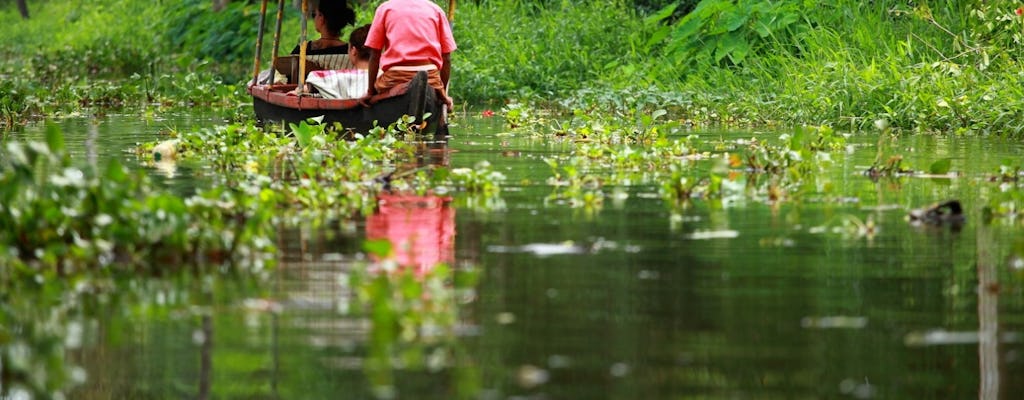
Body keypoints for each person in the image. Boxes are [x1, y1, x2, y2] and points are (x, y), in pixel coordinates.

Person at [359, 0, 456, 111]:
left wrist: (370, 92)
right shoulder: (436, 10)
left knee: (375, 94)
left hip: (395, 78)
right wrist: (442, 93)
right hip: (430, 77)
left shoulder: (385, 9)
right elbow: (446, 58)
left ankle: (378, 99)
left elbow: (375, 55)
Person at [295, 24, 372, 99]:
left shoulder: (335, 78)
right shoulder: (382, 78)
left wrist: (300, 89)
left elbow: (308, 85)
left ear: (353, 50)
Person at [290, 0, 356, 55]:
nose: (314, 19)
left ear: (321, 17)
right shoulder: (352, 52)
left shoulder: (302, 51)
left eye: (314, 14)